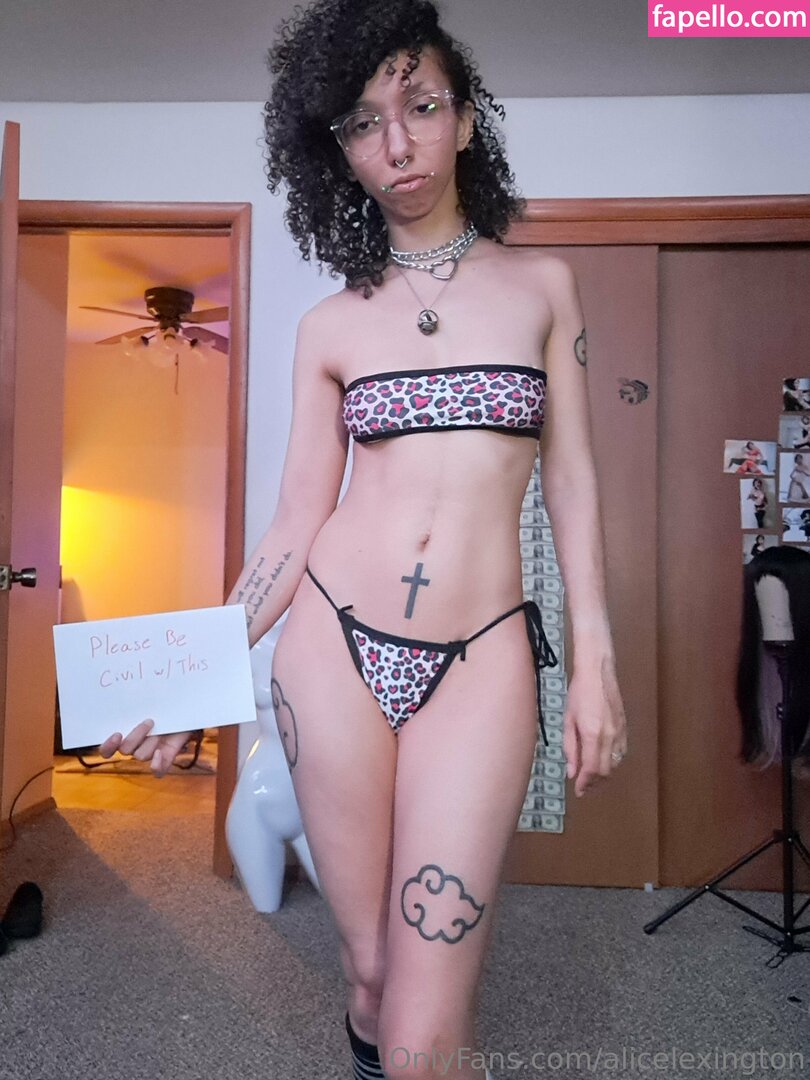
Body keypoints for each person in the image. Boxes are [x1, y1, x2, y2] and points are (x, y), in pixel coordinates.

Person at [99, 2, 627, 1077]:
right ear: (335, 151)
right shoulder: (330, 328)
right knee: (374, 976)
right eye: (362, 123)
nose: (397, 142)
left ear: (465, 120)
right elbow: (296, 524)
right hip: (332, 649)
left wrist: (596, 664)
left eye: (421, 107)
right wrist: (193, 679)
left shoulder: (544, 290)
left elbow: (572, 481)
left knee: (428, 1035)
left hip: (482, 655)